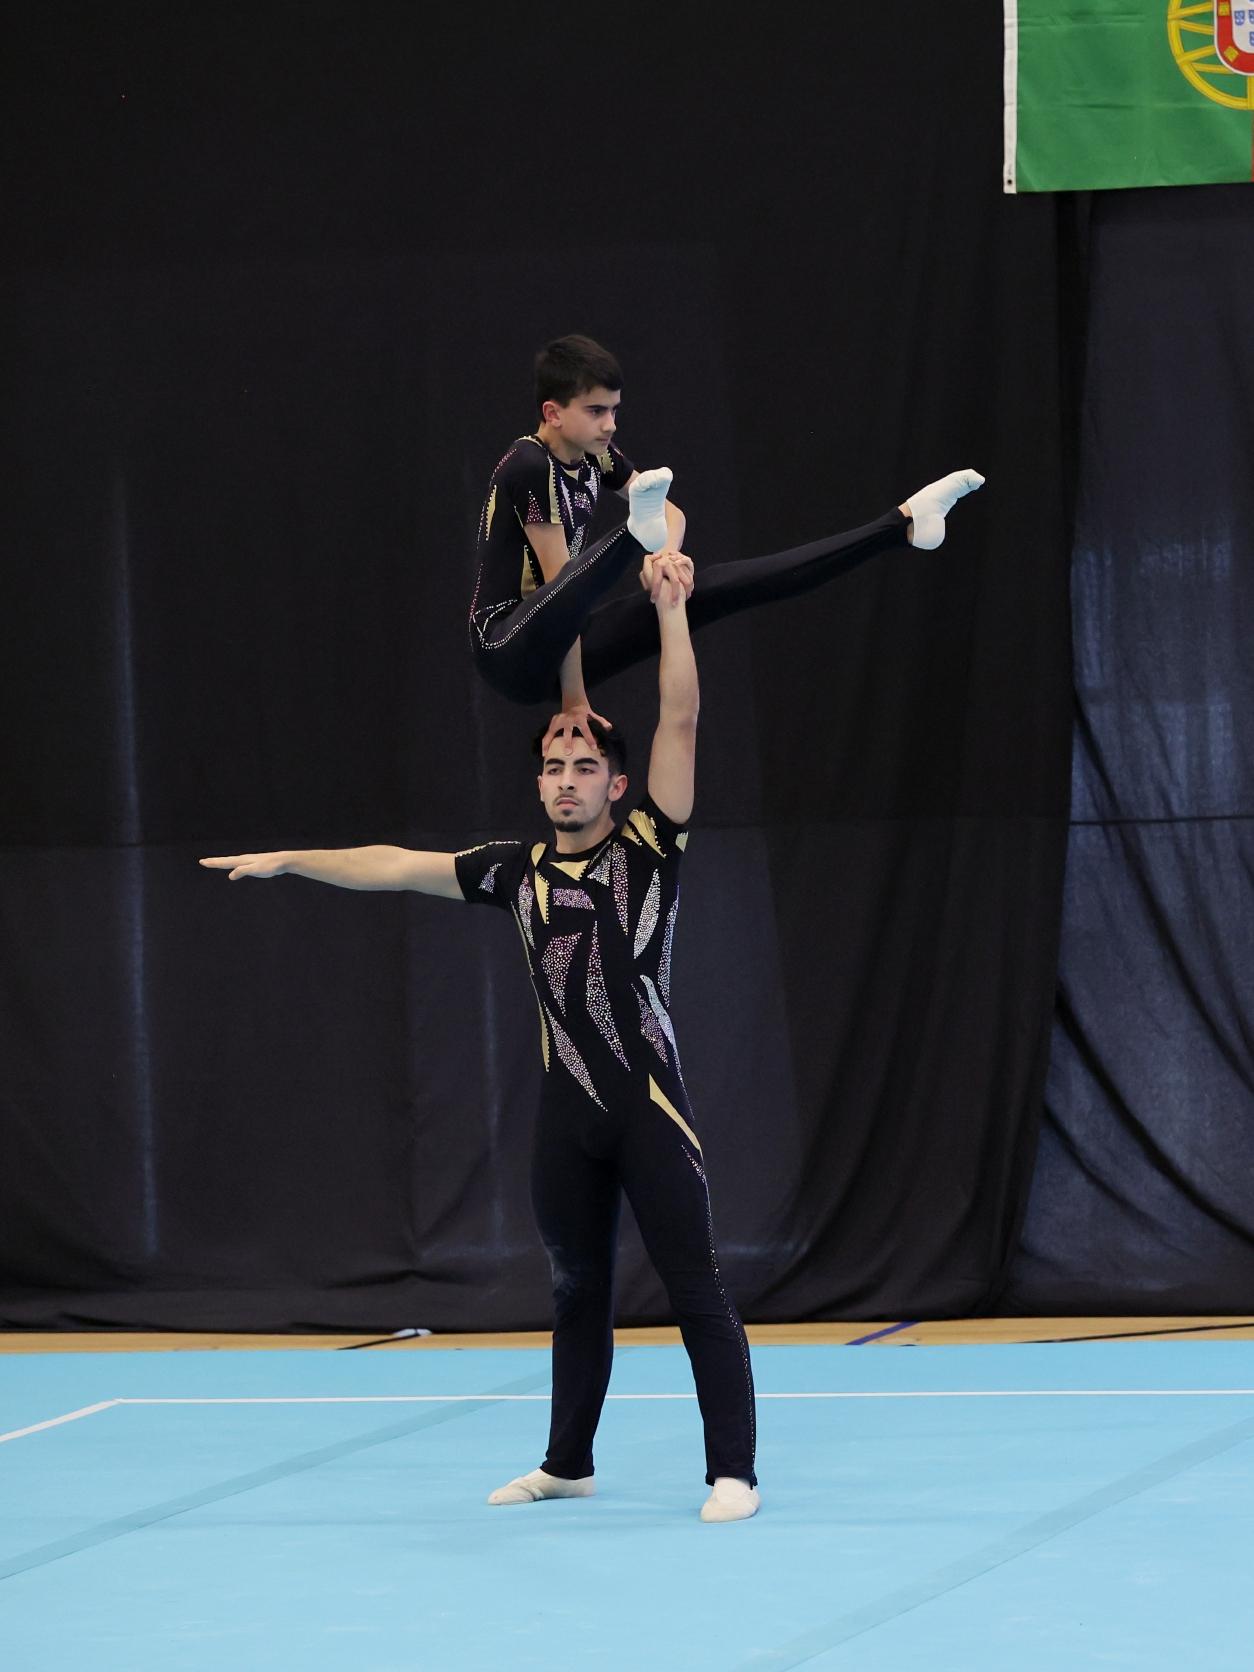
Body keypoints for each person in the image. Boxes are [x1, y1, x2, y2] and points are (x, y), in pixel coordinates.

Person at [201, 555, 762, 1523]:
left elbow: (680, 717)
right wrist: (293, 858)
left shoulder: (648, 848)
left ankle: (733, 1472)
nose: (566, 779)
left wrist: (672, 611)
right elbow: (392, 865)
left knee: (694, 1287)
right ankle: (567, 1463)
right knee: (575, 1289)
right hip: (565, 1119)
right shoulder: (514, 871)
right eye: (553, 765)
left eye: (585, 766)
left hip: (648, 1108)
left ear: (618, 783)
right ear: (538, 783)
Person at [469, 332, 984, 756]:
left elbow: (672, 512)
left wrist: (667, 557)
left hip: (563, 643)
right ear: (553, 413)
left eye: (615, 410)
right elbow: (563, 593)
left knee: (713, 589)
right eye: (597, 411)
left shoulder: (596, 455)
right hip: (506, 647)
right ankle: (634, 535)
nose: (611, 424)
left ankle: (901, 525)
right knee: (587, 577)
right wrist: (575, 703)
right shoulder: (530, 466)